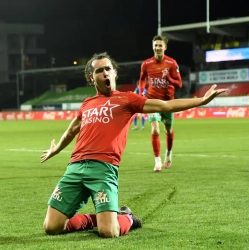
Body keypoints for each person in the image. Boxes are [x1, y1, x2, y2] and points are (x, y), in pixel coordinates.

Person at [40, 52, 226, 238]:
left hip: (103, 169)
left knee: (109, 232)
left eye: (108, 69)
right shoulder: (87, 104)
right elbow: (72, 130)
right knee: (51, 226)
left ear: (114, 73)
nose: (105, 73)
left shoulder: (128, 99)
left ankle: (126, 217)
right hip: (75, 168)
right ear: (91, 78)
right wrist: (56, 149)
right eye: (99, 71)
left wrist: (200, 101)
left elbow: (164, 106)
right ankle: (100, 219)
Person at [139, 35, 182, 172]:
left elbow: (179, 83)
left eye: (160, 45)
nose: (157, 48)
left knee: (168, 130)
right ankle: (157, 161)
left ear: (165, 47)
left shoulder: (172, 63)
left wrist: (168, 77)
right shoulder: (146, 64)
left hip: (168, 102)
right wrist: (141, 92)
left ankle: (168, 153)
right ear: (153, 46)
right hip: (152, 101)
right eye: (155, 45)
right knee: (155, 129)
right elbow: (142, 80)